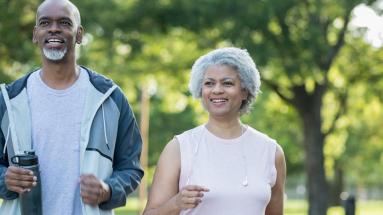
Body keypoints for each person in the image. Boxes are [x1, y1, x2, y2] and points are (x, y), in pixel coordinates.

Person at [0, 0, 144, 214]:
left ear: (79, 34)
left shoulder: (111, 98)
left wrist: (108, 190)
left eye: (65, 23)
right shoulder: (9, 100)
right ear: (35, 34)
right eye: (45, 22)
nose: (54, 28)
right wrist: (5, 179)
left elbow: (131, 168)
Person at [143, 47, 286, 215]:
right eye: (209, 83)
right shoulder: (179, 148)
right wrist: (176, 203)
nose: (217, 90)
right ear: (201, 90)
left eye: (227, 83)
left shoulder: (271, 152)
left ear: (245, 91)